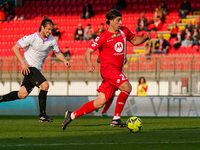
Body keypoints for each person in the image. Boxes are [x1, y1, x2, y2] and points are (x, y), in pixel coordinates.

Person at [62, 9, 151, 130]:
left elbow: (135, 40)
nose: (120, 22)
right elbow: (88, 51)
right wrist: (89, 64)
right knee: (127, 87)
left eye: (121, 20)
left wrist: (145, 38)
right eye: (118, 20)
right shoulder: (103, 37)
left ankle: (71, 115)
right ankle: (116, 119)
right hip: (108, 70)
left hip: (117, 70)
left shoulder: (124, 31)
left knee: (100, 102)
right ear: (110, 21)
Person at [0, 16, 71, 122]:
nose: (50, 31)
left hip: (37, 70)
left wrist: (64, 60)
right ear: (42, 27)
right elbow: (15, 47)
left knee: (22, 94)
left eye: (51, 29)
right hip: (29, 68)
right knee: (45, 85)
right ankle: (42, 115)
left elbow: (58, 53)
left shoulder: (52, 40)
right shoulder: (31, 38)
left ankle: (1, 98)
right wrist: (23, 63)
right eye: (48, 29)